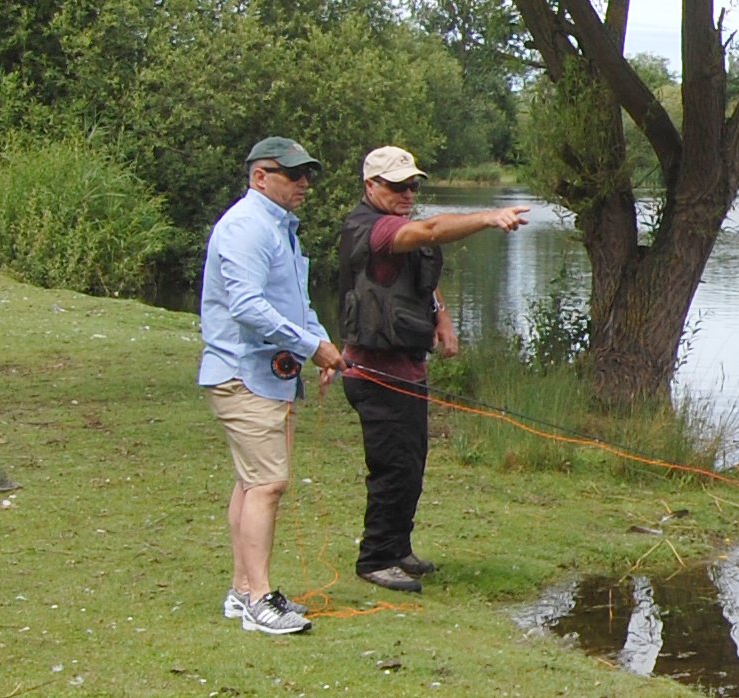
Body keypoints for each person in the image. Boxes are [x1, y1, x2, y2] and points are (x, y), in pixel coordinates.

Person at [338, 145, 529, 593]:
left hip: (407, 370)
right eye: (397, 185)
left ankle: (398, 547)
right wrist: (487, 218)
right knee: (391, 468)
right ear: (371, 187)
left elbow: (421, 275)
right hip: (375, 373)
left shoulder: (396, 227)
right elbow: (430, 232)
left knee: (411, 463)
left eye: (413, 185)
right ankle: (376, 558)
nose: (408, 192)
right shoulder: (372, 229)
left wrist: (441, 317)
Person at [199, 136, 346, 634]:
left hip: (268, 376)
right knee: (267, 484)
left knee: (252, 483)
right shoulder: (245, 227)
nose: (304, 184)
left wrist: (321, 344)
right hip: (242, 373)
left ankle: (243, 592)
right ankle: (261, 602)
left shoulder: (280, 229)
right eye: (293, 175)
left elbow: (292, 302)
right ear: (260, 177)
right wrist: (309, 347)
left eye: (307, 175)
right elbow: (246, 307)